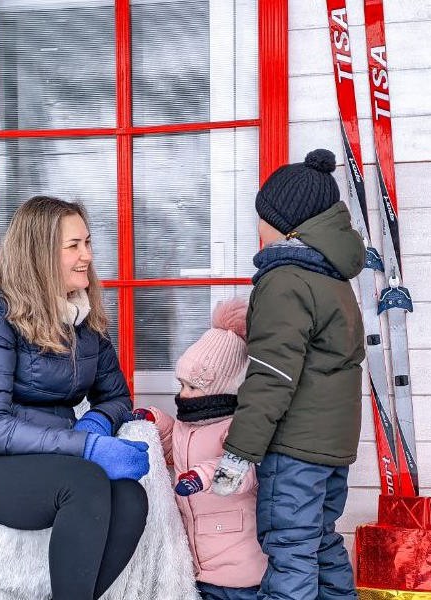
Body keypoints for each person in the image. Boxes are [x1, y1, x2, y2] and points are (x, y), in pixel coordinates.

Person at [0, 195, 150, 600]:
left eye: (88, 243)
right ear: (39, 254)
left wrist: (97, 422)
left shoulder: (83, 318)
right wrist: (86, 446)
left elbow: (117, 395)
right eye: (73, 246)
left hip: (52, 456)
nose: (87, 256)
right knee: (86, 481)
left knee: (131, 496)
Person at [210, 149, 367, 600]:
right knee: (320, 540)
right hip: (332, 447)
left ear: (286, 225)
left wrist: (239, 452)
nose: (256, 228)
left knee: (290, 548)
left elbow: (271, 373)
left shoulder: (285, 281)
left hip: (294, 448)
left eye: (262, 217)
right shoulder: (333, 281)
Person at [132, 297, 267, 600]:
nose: (183, 394)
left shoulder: (235, 427)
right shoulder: (186, 426)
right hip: (199, 564)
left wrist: (202, 477)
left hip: (241, 564)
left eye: (193, 387)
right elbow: (172, 447)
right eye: (181, 384)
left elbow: (243, 471)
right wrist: (154, 422)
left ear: (222, 388)